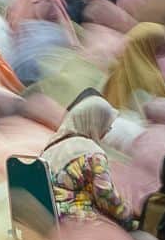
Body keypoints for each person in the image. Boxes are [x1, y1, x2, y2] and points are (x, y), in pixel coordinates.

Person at [39, 96, 130, 226]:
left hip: (45, 220)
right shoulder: (92, 153)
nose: (107, 131)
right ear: (96, 124)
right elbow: (106, 196)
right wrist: (129, 216)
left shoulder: (51, 147)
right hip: (77, 224)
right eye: (107, 126)